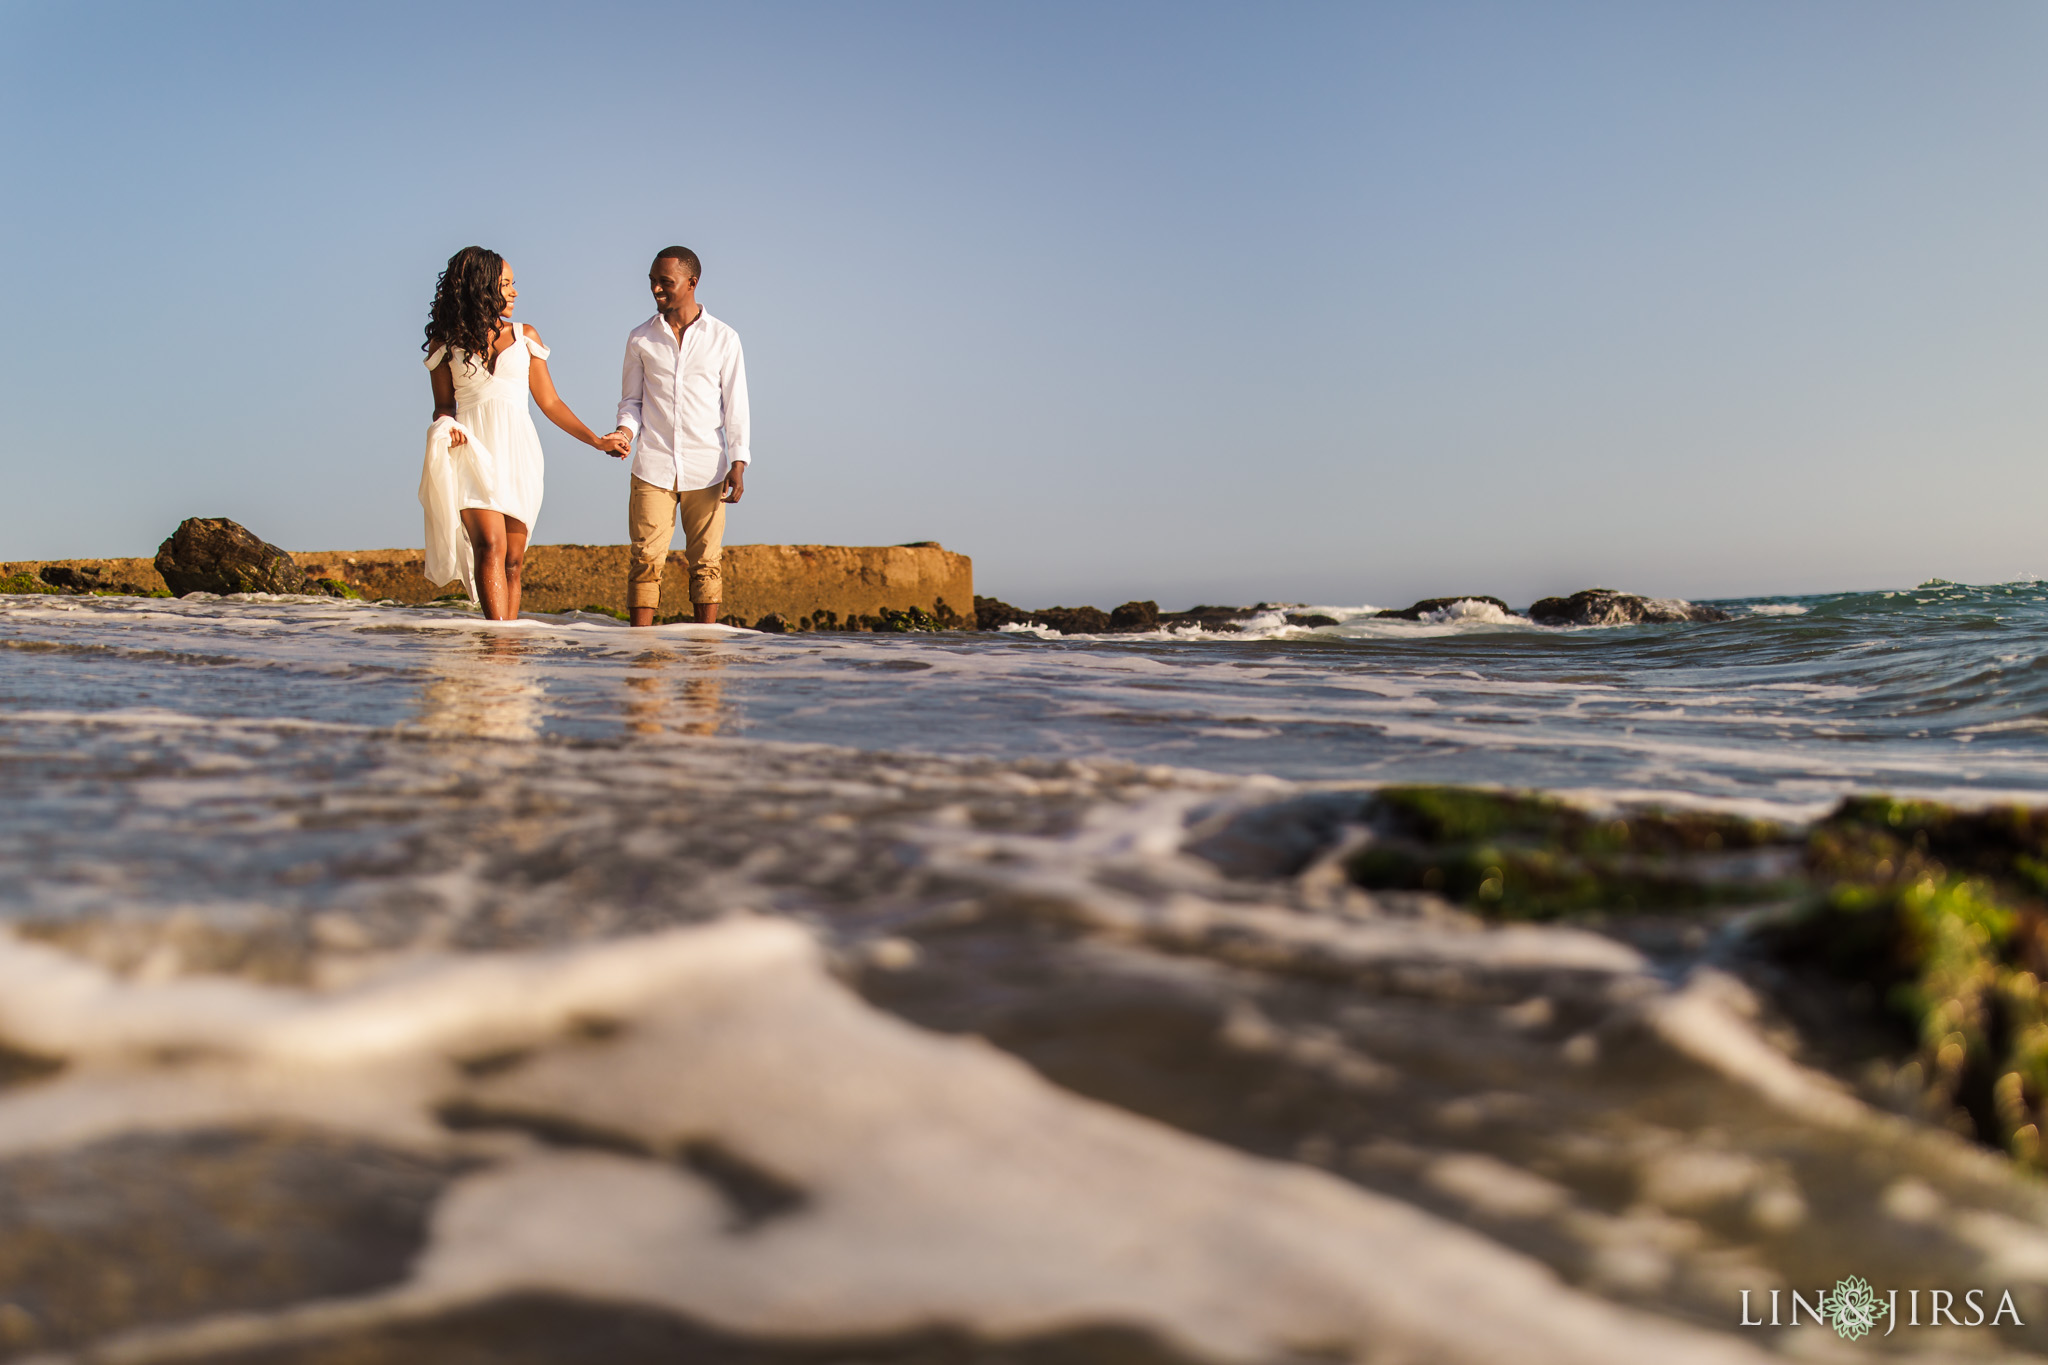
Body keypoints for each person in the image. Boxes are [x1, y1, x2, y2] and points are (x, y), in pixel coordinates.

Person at [421, 246, 627, 620]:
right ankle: (496, 645)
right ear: (481, 286)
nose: (514, 292)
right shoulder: (446, 345)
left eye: (513, 284)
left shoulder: (524, 336)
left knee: (513, 561)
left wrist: (597, 441)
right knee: (490, 547)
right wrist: (446, 426)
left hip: (519, 454)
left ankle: (507, 658)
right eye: (505, 284)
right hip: (472, 452)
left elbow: (550, 403)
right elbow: (443, 407)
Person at [607, 246, 750, 626]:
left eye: (665, 282)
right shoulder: (640, 338)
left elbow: (736, 406)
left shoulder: (724, 338)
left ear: (692, 283)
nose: (656, 289)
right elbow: (631, 401)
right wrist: (624, 431)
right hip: (652, 465)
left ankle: (704, 655)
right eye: (652, 281)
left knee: (706, 563)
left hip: (708, 468)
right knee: (644, 560)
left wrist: (738, 462)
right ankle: (641, 656)